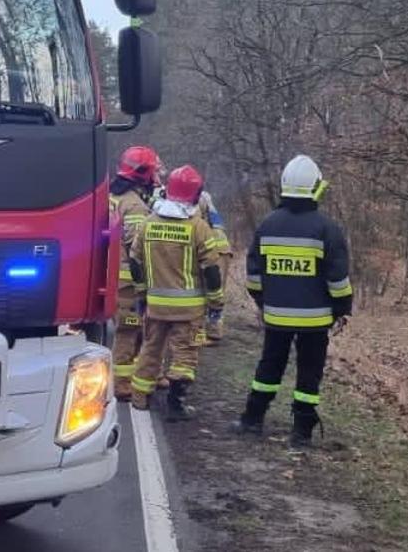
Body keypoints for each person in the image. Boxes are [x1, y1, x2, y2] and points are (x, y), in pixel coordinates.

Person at [231, 154, 352, 449]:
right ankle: (301, 432)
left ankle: (252, 419)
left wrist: (265, 303)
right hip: (316, 321)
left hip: (276, 317)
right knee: (309, 373)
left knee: (269, 367)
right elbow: (338, 279)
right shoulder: (327, 229)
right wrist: (342, 309)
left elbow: (254, 276)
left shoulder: (267, 225)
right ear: (315, 187)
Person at [127, 165, 224, 420]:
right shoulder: (198, 227)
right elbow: (212, 270)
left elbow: (134, 261)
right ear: (195, 195)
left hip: (155, 306)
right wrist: (216, 302)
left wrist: (141, 294)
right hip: (188, 310)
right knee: (185, 355)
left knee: (150, 350)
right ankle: (175, 404)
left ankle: (139, 398)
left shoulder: (148, 224)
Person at [108, 146, 162, 401]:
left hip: (110, 276)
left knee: (128, 329)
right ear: (144, 174)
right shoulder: (135, 207)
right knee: (128, 331)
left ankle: (132, 376)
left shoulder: (111, 196)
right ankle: (122, 384)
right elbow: (137, 250)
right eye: (154, 172)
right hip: (128, 281)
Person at [194, 191, 233, 347]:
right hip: (222, 248)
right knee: (216, 292)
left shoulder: (197, 201)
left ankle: (209, 332)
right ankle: (213, 331)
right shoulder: (206, 199)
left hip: (214, 250)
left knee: (208, 291)